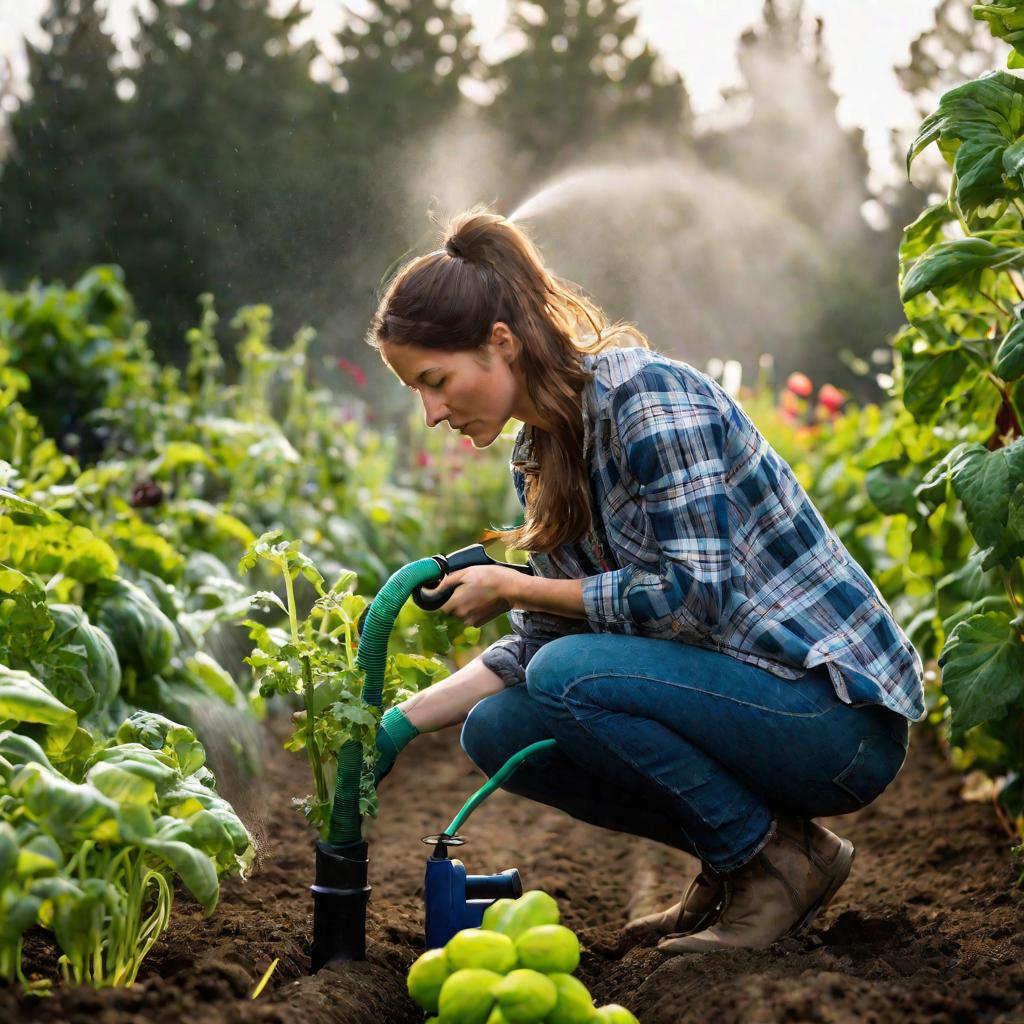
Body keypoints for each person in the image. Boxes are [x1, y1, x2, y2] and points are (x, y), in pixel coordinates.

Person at [366, 207, 925, 954]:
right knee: (497, 729)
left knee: (572, 675)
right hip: (742, 700)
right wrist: (398, 724)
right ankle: (748, 859)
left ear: (500, 344)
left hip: (833, 718)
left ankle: (768, 865)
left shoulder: (647, 400)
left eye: (436, 381)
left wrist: (518, 585)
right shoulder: (538, 457)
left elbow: (693, 599)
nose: (432, 412)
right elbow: (540, 640)